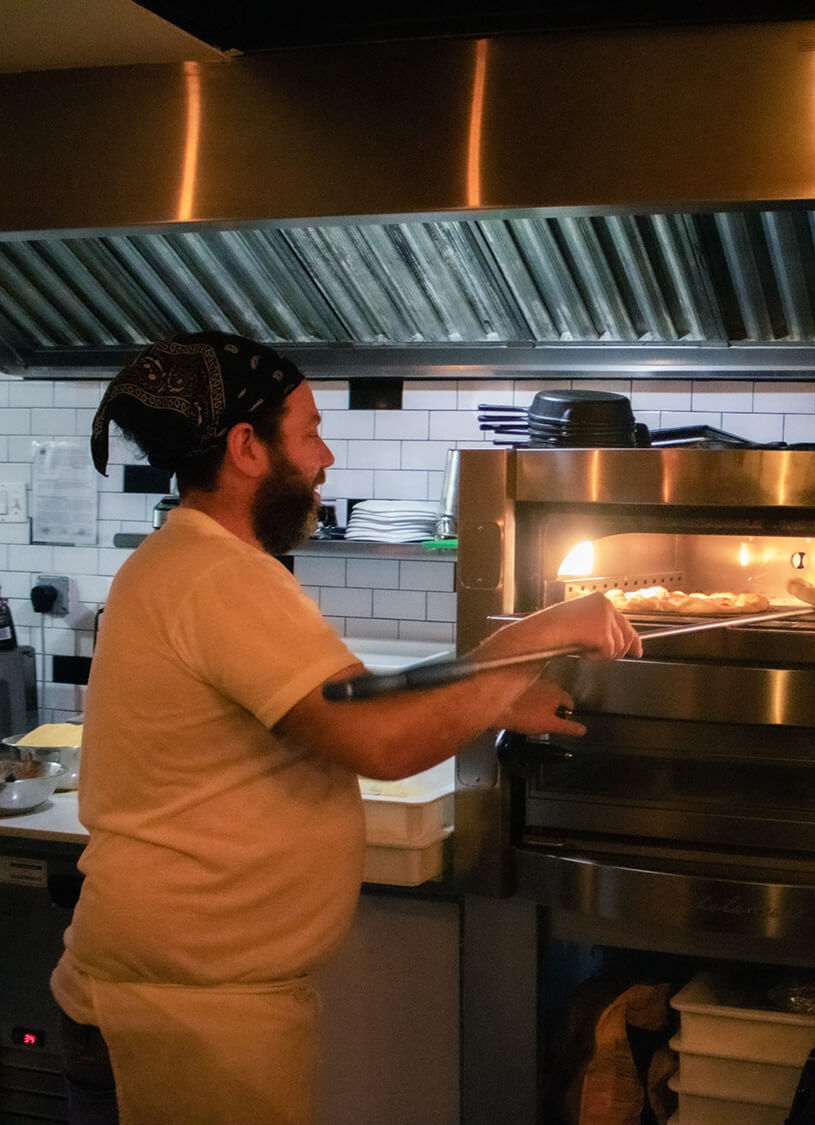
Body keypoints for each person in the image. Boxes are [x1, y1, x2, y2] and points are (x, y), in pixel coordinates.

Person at [51, 332, 641, 1125]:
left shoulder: (185, 561)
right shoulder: (221, 575)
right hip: (178, 1017)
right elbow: (382, 738)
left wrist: (497, 697)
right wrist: (539, 635)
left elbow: (356, 697)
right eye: (310, 432)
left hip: (187, 1001)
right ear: (246, 448)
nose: (326, 457)